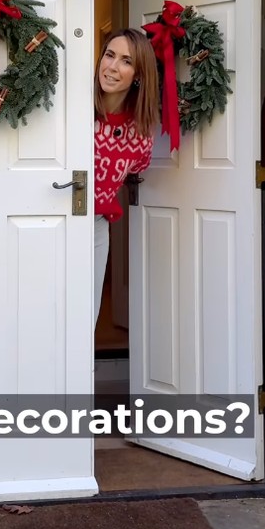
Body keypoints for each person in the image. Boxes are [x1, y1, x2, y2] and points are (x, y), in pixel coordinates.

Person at [93, 28, 160, 319]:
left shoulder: (140, 132)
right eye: (109, 55)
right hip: (51, 220)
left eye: (126, 61)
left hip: (95, 228)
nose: (112, 67)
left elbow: (137, 166)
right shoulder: (74, 111)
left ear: (139, 75)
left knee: (86, 321)